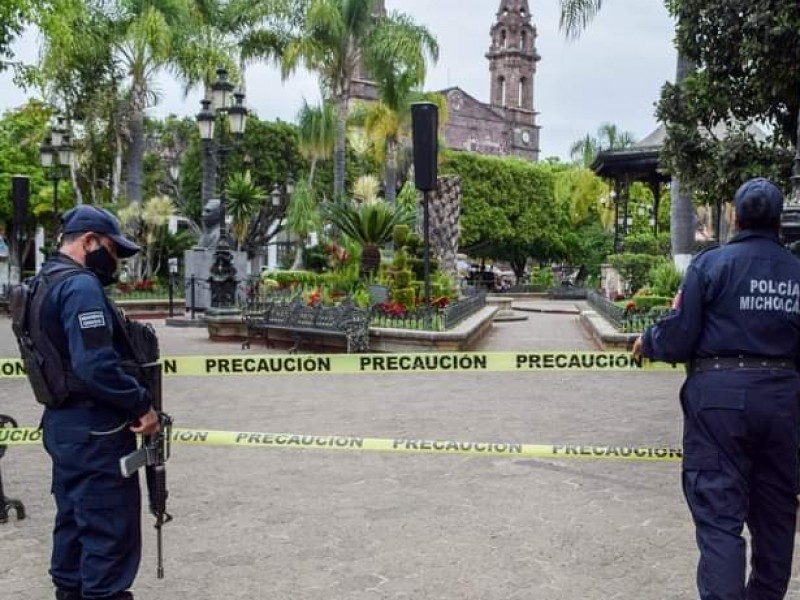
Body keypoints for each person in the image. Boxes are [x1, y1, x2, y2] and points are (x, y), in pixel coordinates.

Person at [633, 177, 800, 600]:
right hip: (783, 401)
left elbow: (680, 334)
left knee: (720, 519)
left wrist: (648, 342)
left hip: (718, 403)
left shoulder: (710, 264)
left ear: (735, 216)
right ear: (778, 222)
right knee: (777, 517)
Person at [35, 206, 160, 600]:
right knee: (108, 538)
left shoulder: (43, 282)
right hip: (96, 432)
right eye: (111, 249)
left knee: (72, 530)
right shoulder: (81, 286)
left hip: (64, 427)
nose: (116, 262)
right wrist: (141, 405)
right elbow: (94, 365)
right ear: (88, 241)